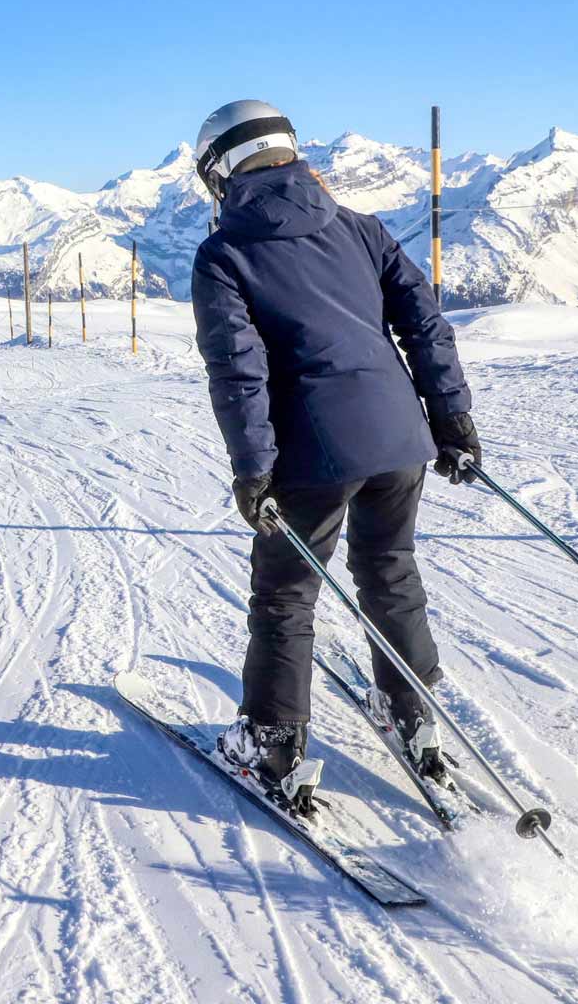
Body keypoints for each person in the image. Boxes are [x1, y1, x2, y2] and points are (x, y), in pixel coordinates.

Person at [188, 100, 481, 814]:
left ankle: (272, 743)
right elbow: (424, 324)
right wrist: (450, 420)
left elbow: (239, 371)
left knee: (287, 594)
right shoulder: (361, 228)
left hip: (312, 456)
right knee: (389, 571)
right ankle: (411, 715)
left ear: (220, 173)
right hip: (399, 442)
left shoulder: (224, 254)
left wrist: (253, 469)